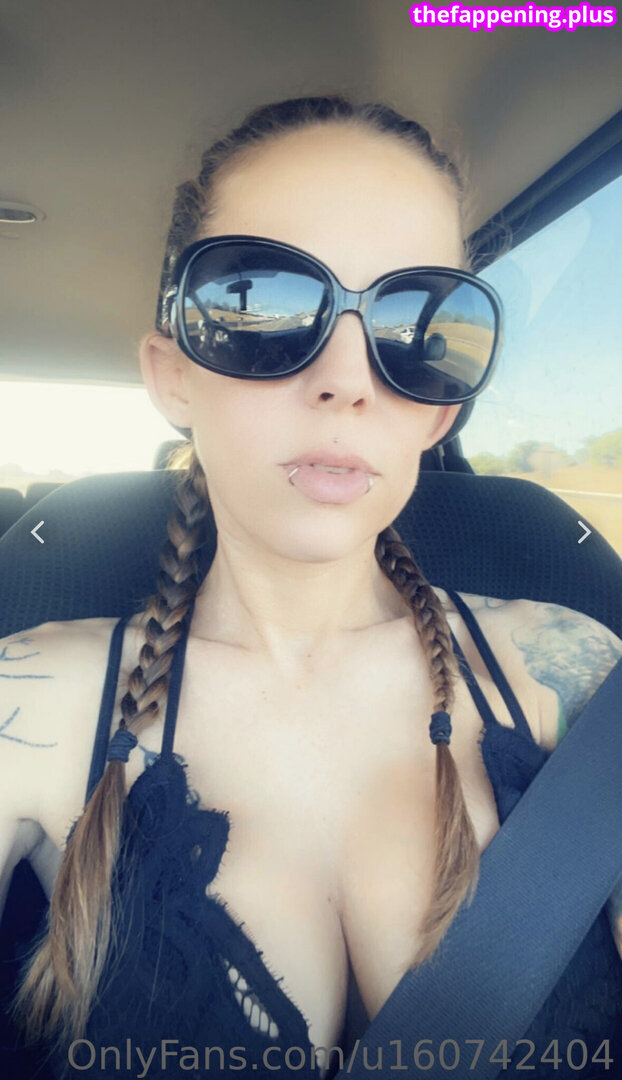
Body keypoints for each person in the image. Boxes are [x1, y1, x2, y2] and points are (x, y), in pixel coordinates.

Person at [1, 95, 621, 1080]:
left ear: (440, 411)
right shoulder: (29, 702)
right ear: (173, 375)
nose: (348, 381)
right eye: (265, 306)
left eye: (419, 324)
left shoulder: (576, 672)